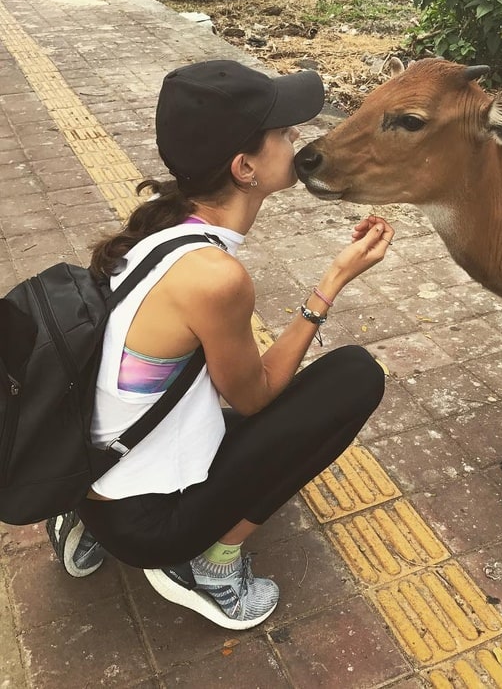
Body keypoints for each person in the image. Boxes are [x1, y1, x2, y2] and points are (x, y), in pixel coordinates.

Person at [45, 59, 394, 630]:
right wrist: (330, 284)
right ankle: (210, 567)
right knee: (355, 377)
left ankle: (77, 520)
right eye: (283, 133)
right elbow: (254, 400)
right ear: (244, 167)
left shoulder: (157, 229)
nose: (297, 139)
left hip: (86, 472)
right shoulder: (214, 277)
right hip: (147, 523)